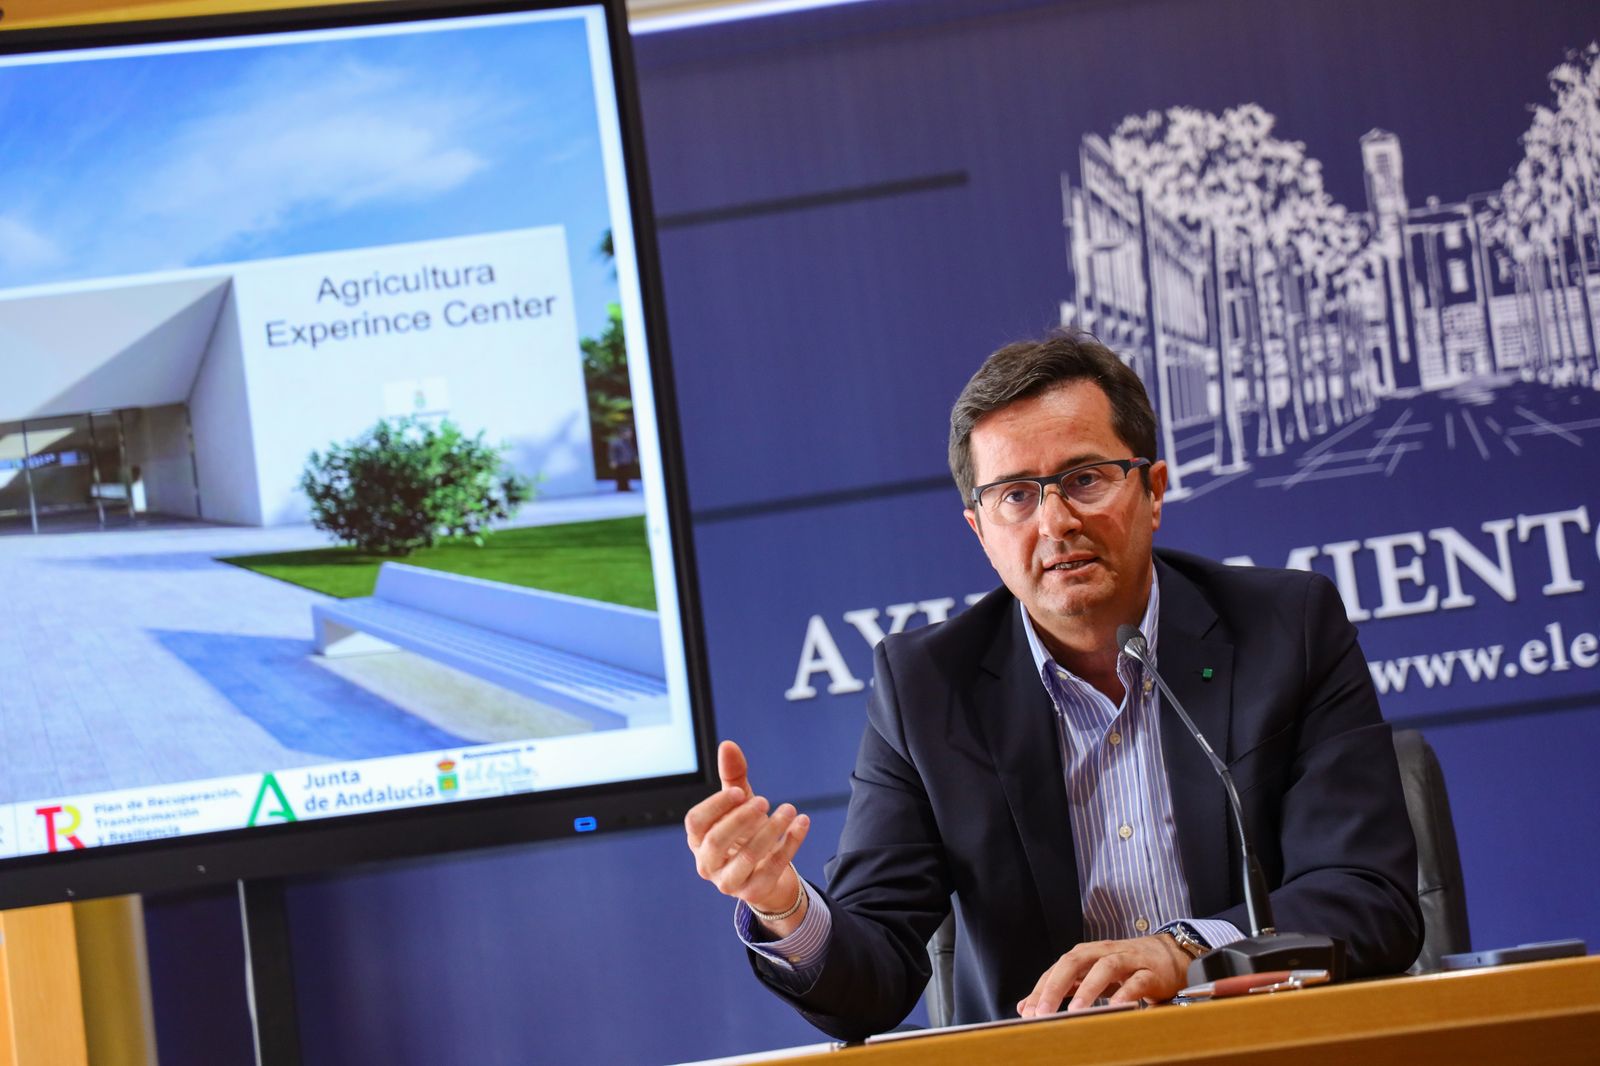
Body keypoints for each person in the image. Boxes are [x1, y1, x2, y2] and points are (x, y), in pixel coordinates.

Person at [684, 331, 1422, 1041]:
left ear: (1153, 491)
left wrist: (1188, 951)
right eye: (1016, 496)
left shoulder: (1285, 629)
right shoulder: (927, 690)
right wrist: (782, 906)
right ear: (980, 530)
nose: (1056, 521)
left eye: (1085, 479)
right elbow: (869, 984)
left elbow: (1367, 899)